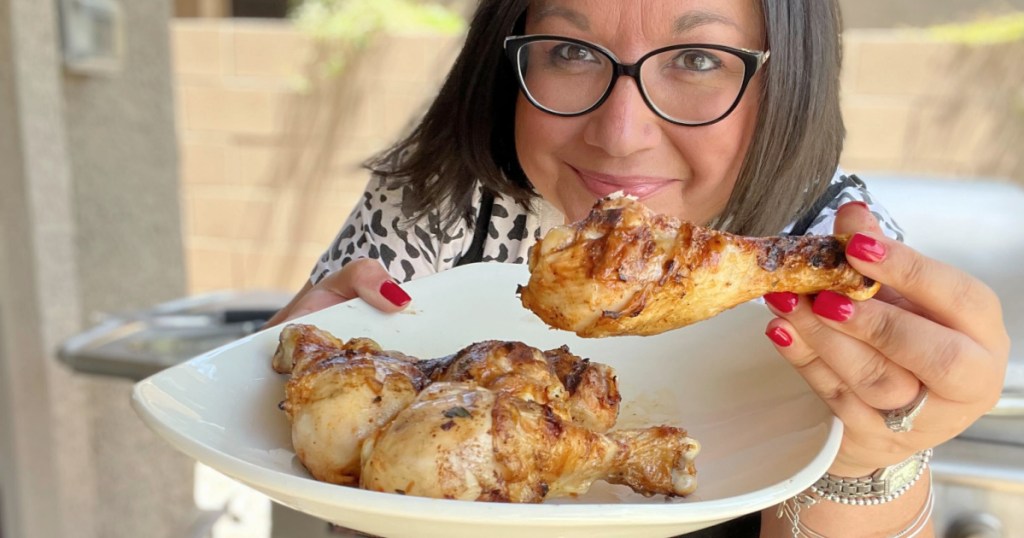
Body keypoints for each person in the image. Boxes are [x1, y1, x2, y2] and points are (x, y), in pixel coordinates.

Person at [266, 0, 1010, 536]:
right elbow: (307, 509)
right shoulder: (431, 199)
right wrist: (293, 396)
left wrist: (870, 461)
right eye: (572, 51)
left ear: (789, 81)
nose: (620, 135)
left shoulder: (833, 249)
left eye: (698, 60)